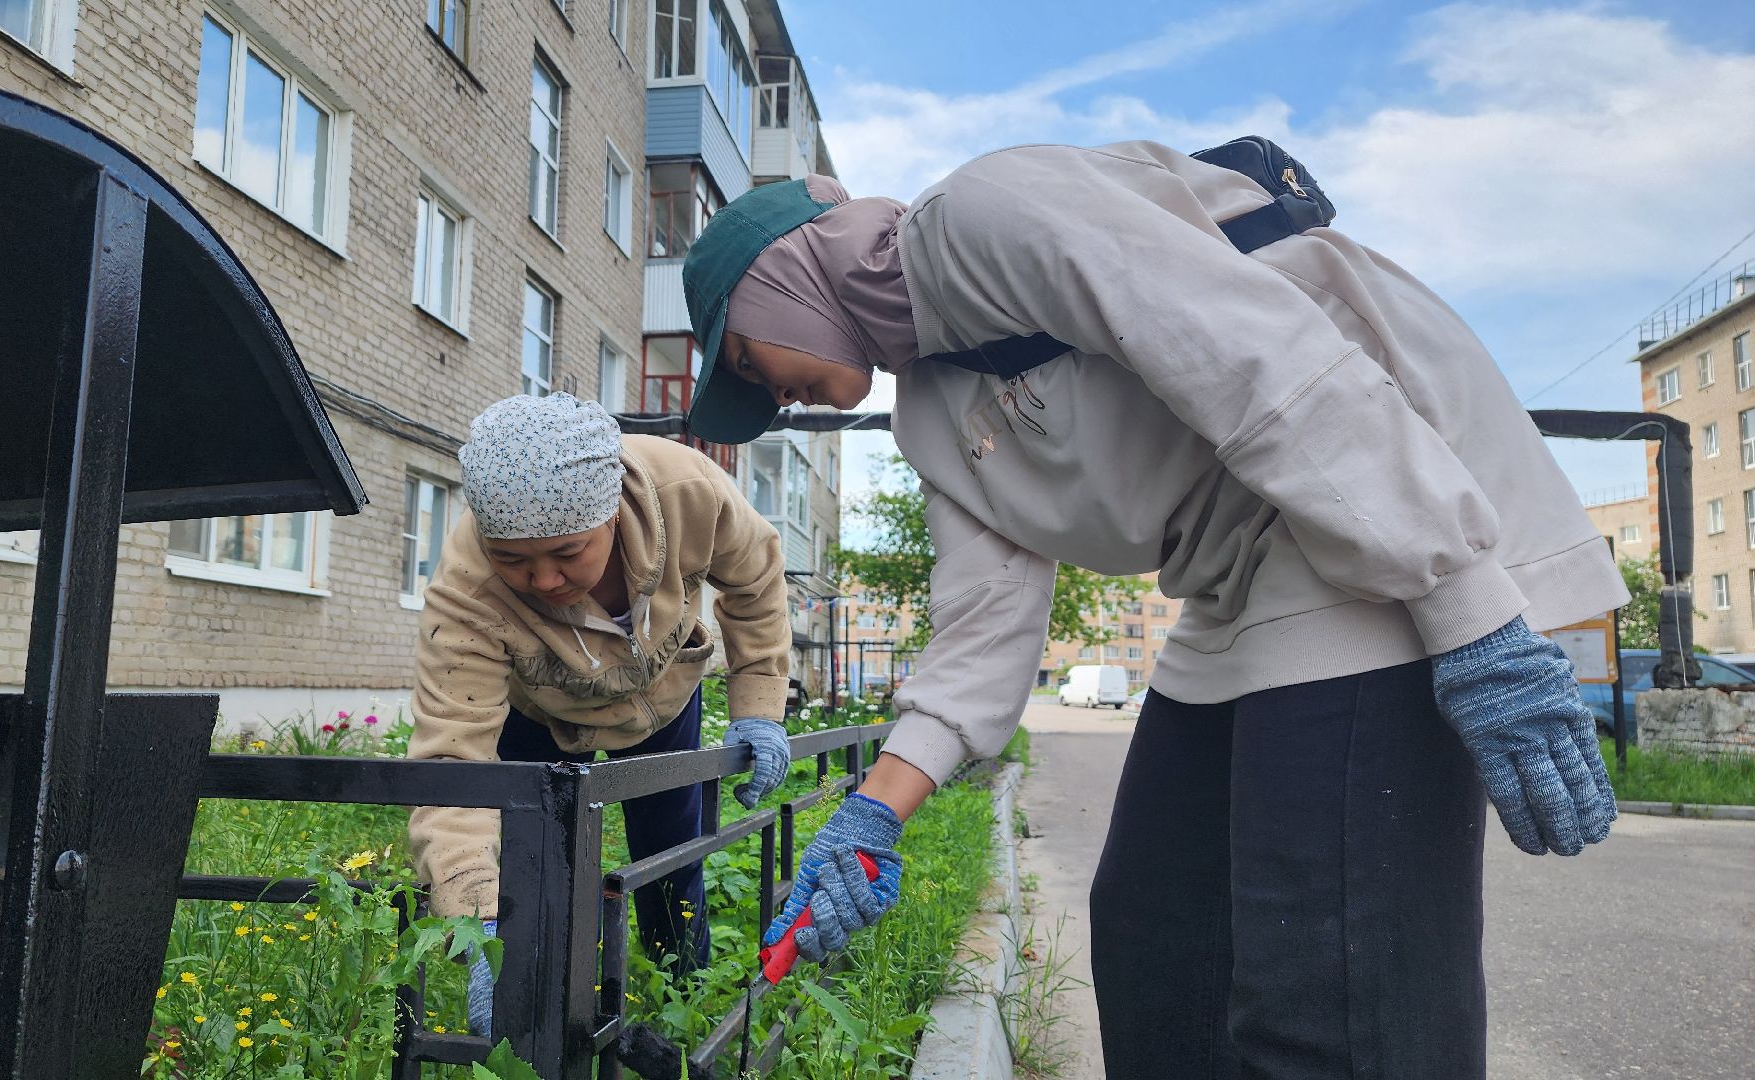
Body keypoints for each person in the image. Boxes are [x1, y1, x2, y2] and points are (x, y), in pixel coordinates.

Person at [679, 146, 1627, 1079]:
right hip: (1232, 582)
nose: (767, 396)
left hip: (1375, 514)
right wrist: (872, 816)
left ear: (779, 280)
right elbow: (987, 617)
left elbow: (1256, 356)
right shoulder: (928, 412)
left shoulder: (983, 214)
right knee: (1156, 948)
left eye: (748, 361)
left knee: (1330, 1000)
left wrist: (1470, 615)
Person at [406, 393, 795, 1037]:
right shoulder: (467, 590)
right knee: (540, 870)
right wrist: (475, 909)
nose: (545, 579)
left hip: (663, 699)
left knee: (672, 855)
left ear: (612, 513)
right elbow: (453, 757)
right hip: (542, 716)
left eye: (567, 552)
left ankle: (683, 997)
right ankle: (547, 1011)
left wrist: (760, 706)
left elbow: (756, 581)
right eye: (514, 559)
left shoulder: (688, 492)